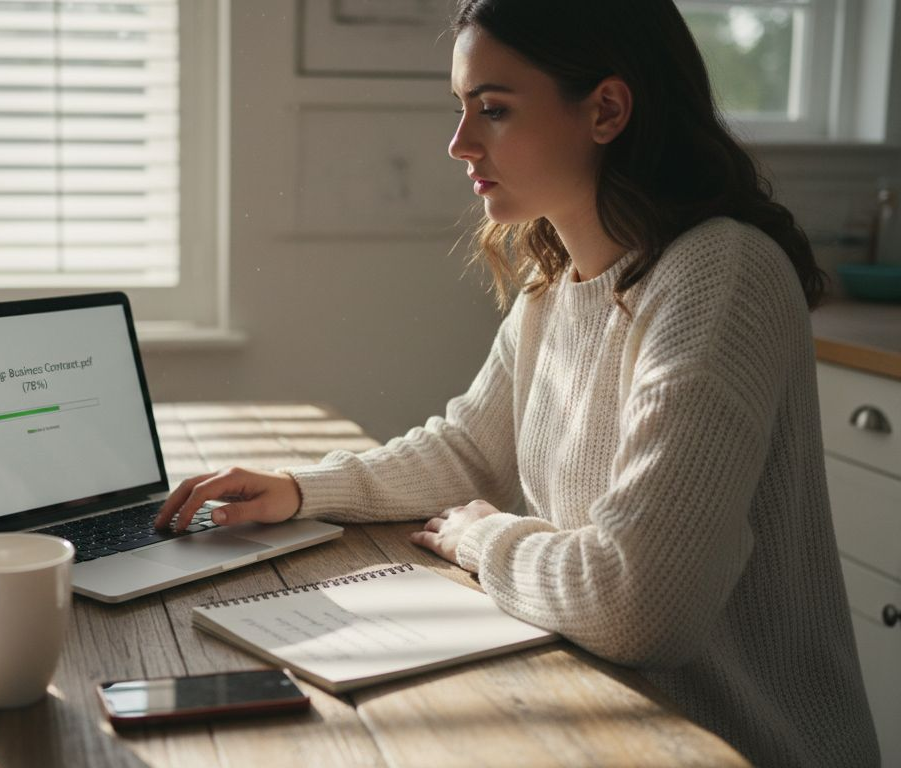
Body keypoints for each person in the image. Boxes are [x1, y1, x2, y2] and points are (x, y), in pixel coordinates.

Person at [154, 0, 880, 765]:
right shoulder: (558, 280)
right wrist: (299, 490)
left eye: (493, 110)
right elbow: (471, 449)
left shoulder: (720, 276)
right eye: (462, 109)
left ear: (606, 109)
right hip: (602, 712)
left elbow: (641, 606)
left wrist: (482, 537)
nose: (459, 144)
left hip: (732, 744)